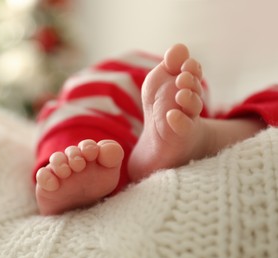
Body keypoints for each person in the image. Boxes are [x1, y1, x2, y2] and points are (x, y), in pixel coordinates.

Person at [33, 43, 278, 215]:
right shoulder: (183, 93)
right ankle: (204, 136)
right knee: (263, 105)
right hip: (164, 94)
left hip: (89, 108)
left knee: (72, 147)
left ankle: (197, 136)